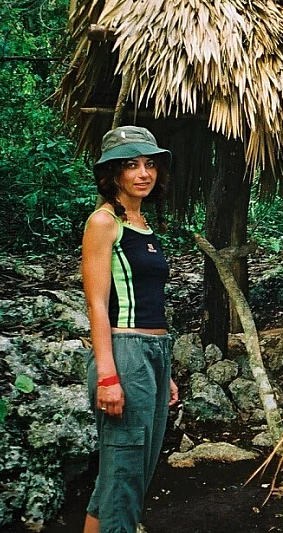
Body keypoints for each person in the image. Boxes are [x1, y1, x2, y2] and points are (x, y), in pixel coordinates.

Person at [81, 126, 179, 533]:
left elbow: (152, 301)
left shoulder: (141, 223)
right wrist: (107, 376)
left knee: (129, 473)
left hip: (155, 354)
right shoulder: (104, 222)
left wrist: (167, 372)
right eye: (131, 165)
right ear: (112, 174)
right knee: (123, 468)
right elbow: (97, 304)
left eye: (149, 163)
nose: (143, 173)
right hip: (124, 351)